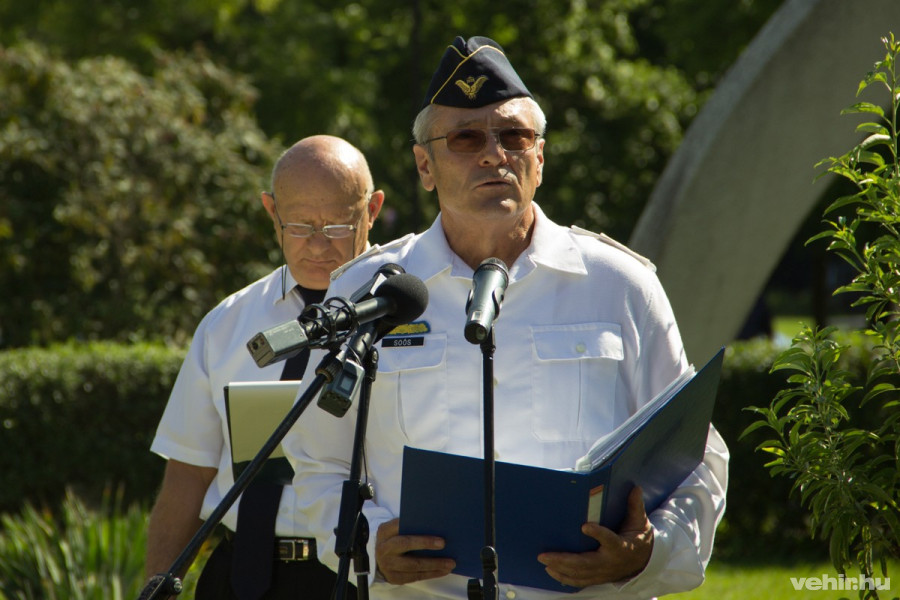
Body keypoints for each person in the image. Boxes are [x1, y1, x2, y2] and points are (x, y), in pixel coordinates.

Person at [283, 36, 728, 599]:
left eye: (514, 136)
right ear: (425, 166)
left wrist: (648, 551)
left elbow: (696, 458)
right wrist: (365, 542)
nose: (494, 154)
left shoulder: (620, 286)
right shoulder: (369, 291)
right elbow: (317, 460)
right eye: (466, 138)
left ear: (539, 158)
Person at [144, 134, 385, 600]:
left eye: (337, 225)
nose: (318, 246)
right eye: (299, 226)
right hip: (237, 577)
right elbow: (188, 472)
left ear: (372, 209)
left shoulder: (408, 317)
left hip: (356, 578)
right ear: (271, 212)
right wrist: (156, 586)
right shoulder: (227, 323)